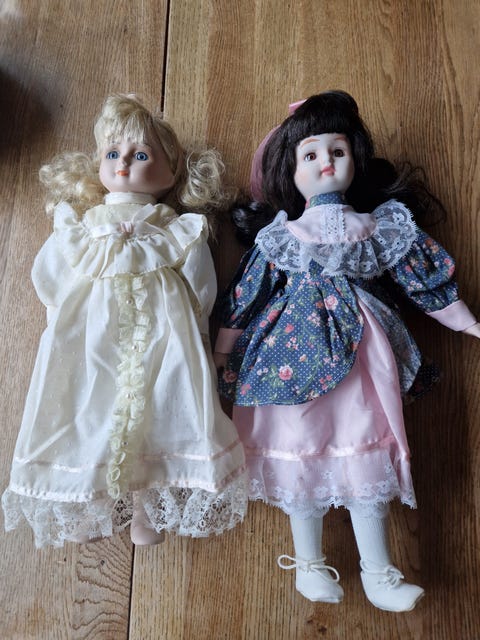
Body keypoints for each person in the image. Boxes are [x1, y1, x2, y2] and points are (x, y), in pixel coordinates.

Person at [214, 91, 480, 611]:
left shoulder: (377, 227)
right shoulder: (283, 236)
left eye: (337, 151)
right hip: (288, 360)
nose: (326, 163)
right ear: (289, 170)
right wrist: (223, 350)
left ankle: (379, 573)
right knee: (298, 445)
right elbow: (246, 294)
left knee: (365, 444)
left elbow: (419, 275)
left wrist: (465, 320)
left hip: (362, 352)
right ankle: (309, 565)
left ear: (354, 158)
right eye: (310, 154)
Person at [2, 93, 247, 548]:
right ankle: (86, 499)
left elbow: (200, 284)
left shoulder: (175, 227)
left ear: (171, 173)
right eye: (112, 153)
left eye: (141, 155)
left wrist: (195, 333)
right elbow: (51, 274)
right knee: (86, 410)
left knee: (160, 411)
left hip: (163, 337)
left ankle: (144, 511)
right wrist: (60, 322)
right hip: (88, 336)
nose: (124, 164)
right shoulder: (82, 225)